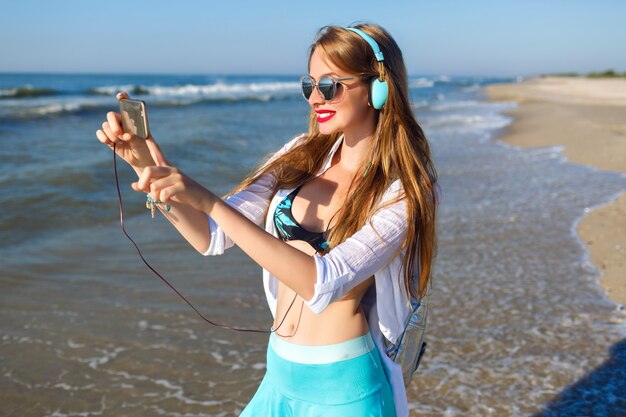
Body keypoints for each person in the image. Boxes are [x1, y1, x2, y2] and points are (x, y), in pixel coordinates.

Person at [96, 23, 438, 417]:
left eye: (331, 86)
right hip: (279, 374)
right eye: (308, 85)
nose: (315, 97)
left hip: (344, 390)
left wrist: (209, 200)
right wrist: (146, 166)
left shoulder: (405, 190)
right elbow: (210, 236)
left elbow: (324, 281)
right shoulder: (300, 154)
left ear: (378, 86)